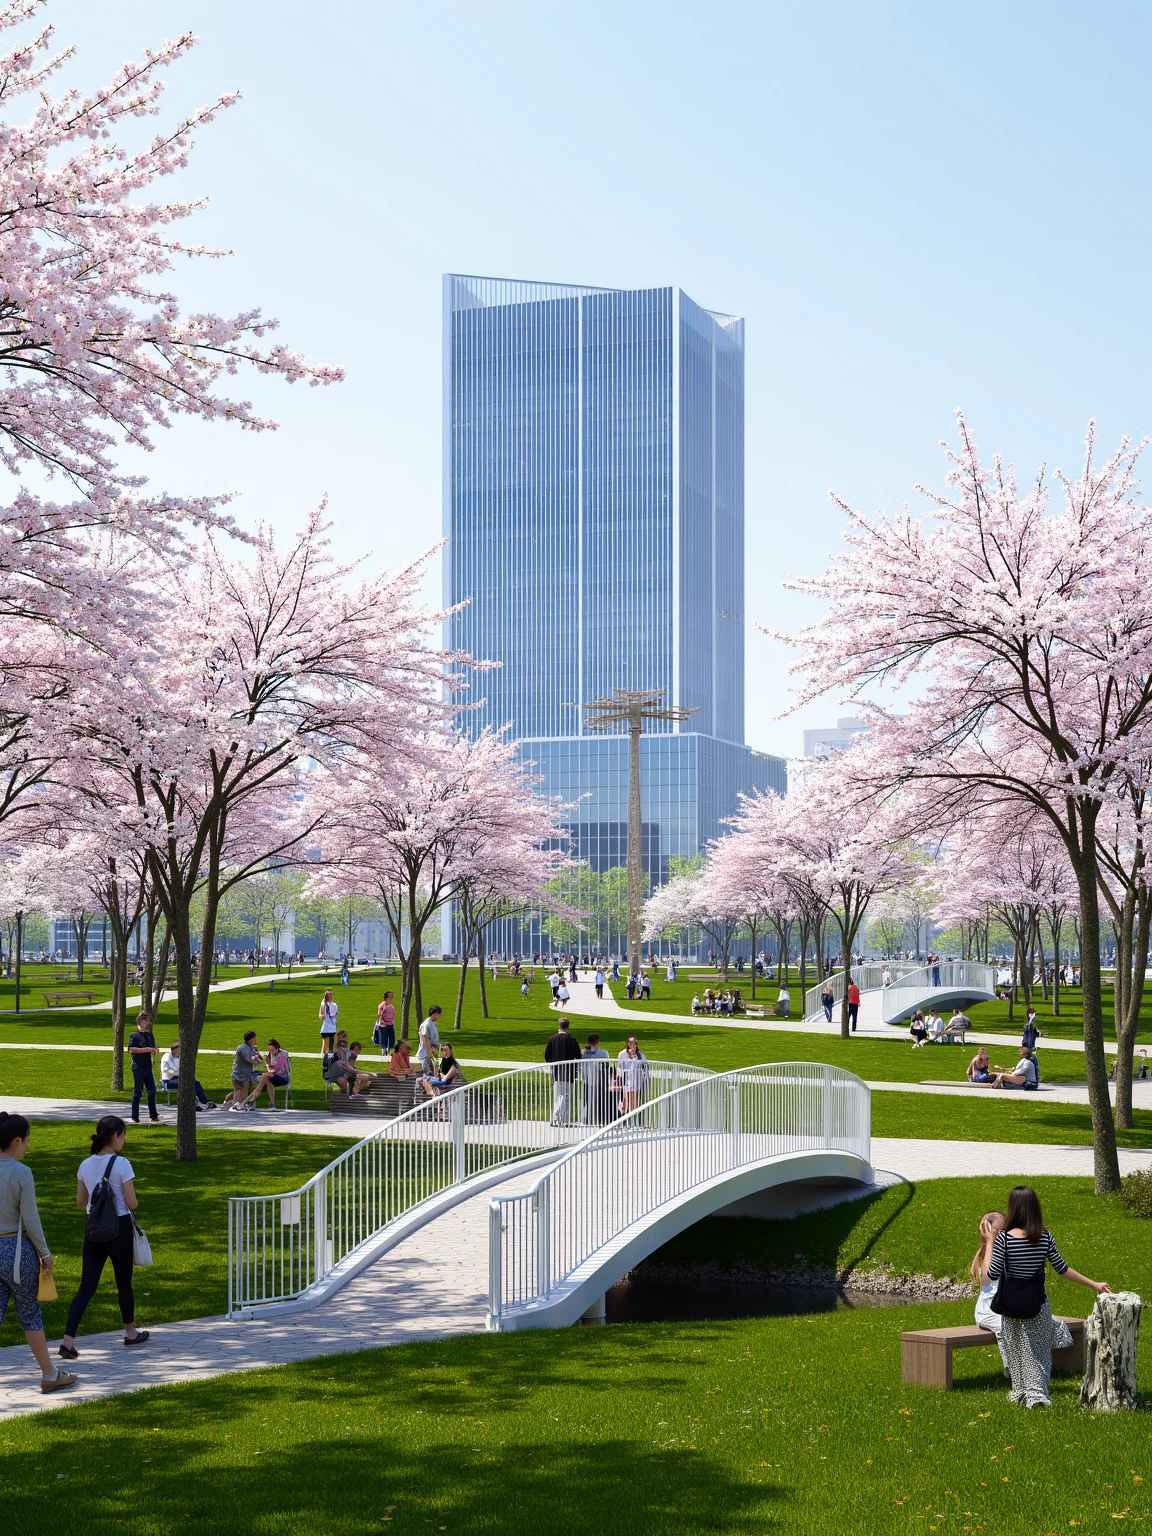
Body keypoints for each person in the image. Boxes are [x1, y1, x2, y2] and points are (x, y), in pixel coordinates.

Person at [984, 1183, 1110, 1408]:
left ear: (1013, 1208)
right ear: (1035, 1208)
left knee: (1016, 1350)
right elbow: (1063, 1269)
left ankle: (1021, 1393)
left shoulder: (1004, 1239)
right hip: (1038, 1304)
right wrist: (1094, 1284)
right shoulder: (1044, 1237)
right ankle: (1037, 1395)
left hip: (1011, 1305)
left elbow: (991, 1273)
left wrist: (990, 1242)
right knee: (1039, 1352)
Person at [60, 1115, 148, 1360]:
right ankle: (130, 1333)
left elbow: (80, 1202)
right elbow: (131, 1203)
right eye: (124, 1135)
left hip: (94, 1230)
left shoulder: (85, 1164)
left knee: (86, 1287)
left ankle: (68, 1341)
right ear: (117, 1136)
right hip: (118, 1228)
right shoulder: (122, 1164)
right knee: (123, 1283)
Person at [0, 1112, 77, 1393]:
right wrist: (45, 1253)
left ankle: (51, 1373)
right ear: (17, 1141)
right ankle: (49, 1374)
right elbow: (31, 1220)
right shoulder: (21, 1173)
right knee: (30, 1314)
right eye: (28, 1141)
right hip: (16, 1250)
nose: (28, 1147)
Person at [970, 1211, 1010, 1368]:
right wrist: (990, 1242)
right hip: (988, 1312)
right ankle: (1011, 1367)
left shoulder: (1005, 1249)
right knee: (1005, 1326)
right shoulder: (985, 1254)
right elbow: (987, 1279)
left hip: (1006, 1308)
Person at [544, 1016, 582, 1125]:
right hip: (569, 1073)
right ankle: (564, 1119)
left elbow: (547, 1056)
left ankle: (555, 1117)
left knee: (557, 1095)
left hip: (556, 1072)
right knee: (566, 1096)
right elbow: (578, 1056)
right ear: (568, 1026)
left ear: (559, 1026)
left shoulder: (552, 1039)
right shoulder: (572, 1039)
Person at [159, 1042, 215, 1111]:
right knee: (190, 1083)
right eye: (180, 1050)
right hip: (167, 1082)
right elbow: (176, 1069)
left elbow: (180, 1071)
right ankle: (202, 1102)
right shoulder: (167, 1056)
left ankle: (197, 1102)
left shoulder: (176, 1058)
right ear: (176, 1049)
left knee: (193, 1082)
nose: (181, 1052)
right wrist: (179, 1072)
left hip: (175, 1079)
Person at [127, 1012, 160, 1125]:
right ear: (140, 1021)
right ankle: (135, 1117)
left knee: (152, 1090)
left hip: (148, 1066)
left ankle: (153, 1115)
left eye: (148, 1020)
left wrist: (155, 1051)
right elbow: (132, 1049)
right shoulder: (134, 1035)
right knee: (137, 1092)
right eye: (145, 1020)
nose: (147, 1022)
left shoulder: (149, 1035)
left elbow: (152, 1048)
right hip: (138, 1067)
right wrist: (147, 1049)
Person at [245, 1038, 291, 1108]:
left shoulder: (282, 1055)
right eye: (270, 1050)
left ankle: (251, 1101)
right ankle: (272, 1104)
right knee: (266, 1080)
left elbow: (274, 1070)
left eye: (272, 1050)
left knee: (264, 1077)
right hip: (273, 1076)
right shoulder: (271, 1054)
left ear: (277, 1048)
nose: (271, 1052)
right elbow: (270, 1066)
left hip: (283, 1077)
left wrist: (266, 1067)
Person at [224, 1031, 263, 1111]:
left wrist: (259, 1059)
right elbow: (250, 1060)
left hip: (245, 1072)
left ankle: (232, 1103)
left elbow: (254, 1056)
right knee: (240, 1090)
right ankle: (236, 1105)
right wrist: (259, 1062)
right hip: (240, 1073)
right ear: (250, 1039)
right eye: (254, 1038)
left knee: (238, 1089)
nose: (256, 1040)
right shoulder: (244, 1048)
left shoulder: (250, 1047)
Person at [580, 1033, 611, 1124]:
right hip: (597, 1079)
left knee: (587, 1101)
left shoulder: (583, 1053)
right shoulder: (603, 1053)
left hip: (587, 1079)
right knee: (597, 1101)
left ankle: (587, 1120)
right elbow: (607, 1065)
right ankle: (594, 1120)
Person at [616, 1036, 650, 1113]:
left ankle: (633, 1119)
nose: (633, 1046)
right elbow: (619, 1067)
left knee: (634, 1102)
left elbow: (645, 1066)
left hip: (636, 1080)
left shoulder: (640, 1055)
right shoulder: (622, 1054)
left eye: (634, 1044)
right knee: (626, 1101)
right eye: (631, 1043)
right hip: (626, 1080)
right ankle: (625, 1119)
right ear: (628, 1044)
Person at [417, 1006, 442, 1074]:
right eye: (439, 1014)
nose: (440, 1016)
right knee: (427, 1074)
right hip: (425, 1054)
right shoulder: (426, 1024)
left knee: (434, 1073)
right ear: (435, 1013)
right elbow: (425, 1040)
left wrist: (443, 1048)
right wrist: (430, 1053)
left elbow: (433, 1042)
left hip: (430, 1053)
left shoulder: (432, 1024)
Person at [1021, 1009, 1043, 1081]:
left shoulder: (1030, 1029)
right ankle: (1033, 1078)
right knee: (1032, 1064)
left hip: (1028, 1048)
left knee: (1031, 1064)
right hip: (1028, 1048)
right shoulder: (1029, 1028)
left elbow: (1036, 1034)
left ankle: (1033, 1078)